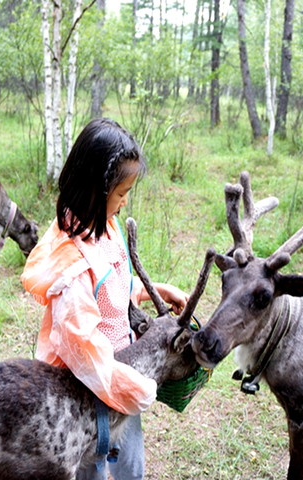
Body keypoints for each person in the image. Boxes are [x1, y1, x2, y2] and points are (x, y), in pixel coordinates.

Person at [21, 117, 188, 480]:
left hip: (120, 374)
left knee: (130, 466)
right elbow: (84, 351)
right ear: (96, 190)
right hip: (86, 395)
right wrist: (140, 388)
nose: (125, 203)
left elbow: (113, 287)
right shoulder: (71, 267)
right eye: (122, 193)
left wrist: (154, 290)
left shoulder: (105, 225)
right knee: (93, 466)